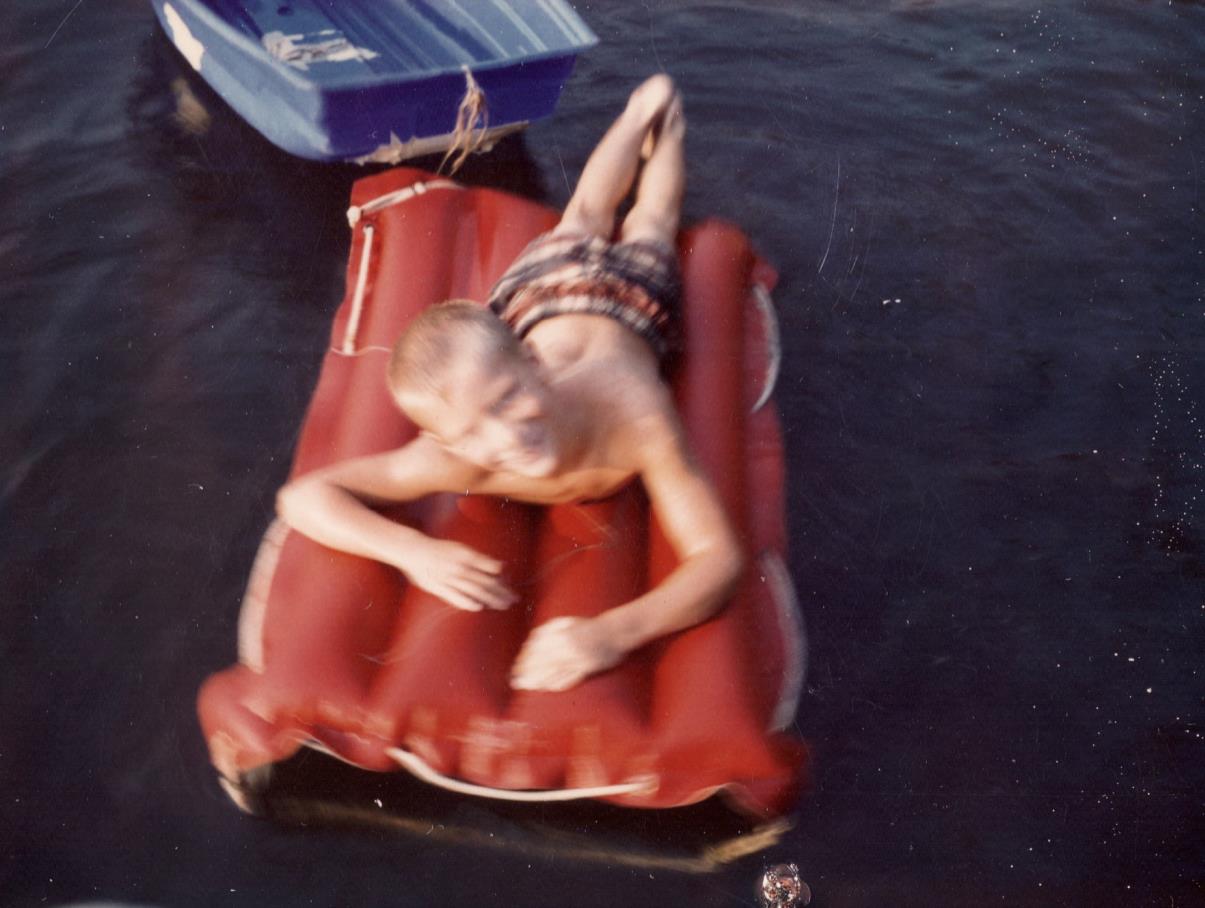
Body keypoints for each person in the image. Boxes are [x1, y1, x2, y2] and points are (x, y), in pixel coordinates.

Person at [276, 75, 743, 693]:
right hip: (536, 324)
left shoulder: (637, 418)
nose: (504, 438)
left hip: (607, 306)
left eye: (506, 401)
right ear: (447, 440)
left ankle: (652, 114)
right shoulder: (457, 458)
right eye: (471, 432)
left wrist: (610, 634)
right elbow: (304, 498)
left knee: (640, 224)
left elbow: (719, 560)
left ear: (535, 366)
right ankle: (642, 118)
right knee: (585, 219)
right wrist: (411, 552)